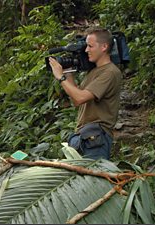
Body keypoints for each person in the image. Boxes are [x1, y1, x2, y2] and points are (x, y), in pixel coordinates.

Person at [48, 27, 122, 160]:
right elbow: (76, 100)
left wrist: (60, 77)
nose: (86, 50)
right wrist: (68, 73)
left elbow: (80, 97)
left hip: (97, 137)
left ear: (104, 46)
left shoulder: (110, 72)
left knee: (93, 180)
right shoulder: (94, 72)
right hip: (84, 135)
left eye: (90, 46)